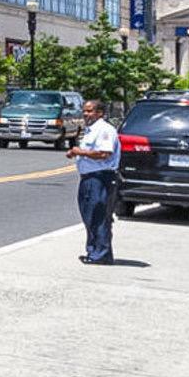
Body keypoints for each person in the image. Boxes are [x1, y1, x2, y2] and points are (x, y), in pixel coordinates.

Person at [66, 98, 120, 266]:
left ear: (100, 113)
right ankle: (94, 250)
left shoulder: (104, 130)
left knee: (98, 216)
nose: (86, 114)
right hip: (90, 178)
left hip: (100, 178)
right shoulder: (91, 130)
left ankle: (101, 254)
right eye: (85, 110)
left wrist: (79, 151)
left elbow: (104, 153)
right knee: (90, 215)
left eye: (90, 111)